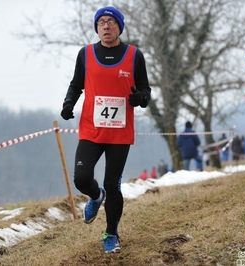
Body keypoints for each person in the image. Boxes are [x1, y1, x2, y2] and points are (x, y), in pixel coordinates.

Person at [60, 5, 151, 253]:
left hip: (119, 133)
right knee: (81, 178)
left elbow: (146, 92)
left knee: (113, 184)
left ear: (119, 27)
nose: (106, 26)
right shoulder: (86, 54)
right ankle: (95, 195)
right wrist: (69, 103)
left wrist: (139, 99)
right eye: (101, 23)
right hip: (91, 130)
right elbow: (76, 85)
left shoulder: (134, 55)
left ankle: (111, 234)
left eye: (111, 22)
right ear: (97, 28)